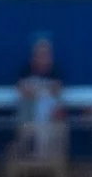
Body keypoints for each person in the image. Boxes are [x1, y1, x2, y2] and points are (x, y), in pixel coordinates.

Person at [14, 33, 68, 162]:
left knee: (47, 106)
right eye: (39, 54)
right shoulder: (26, 70)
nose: (42, 58)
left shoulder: (55, 71)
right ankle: (33, 153)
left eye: (45, 55)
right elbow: (22, 89)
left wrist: (39, 90)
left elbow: (57, 90)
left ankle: (44, 155)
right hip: (29, 118)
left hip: (50, 121)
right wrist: (40, 90)